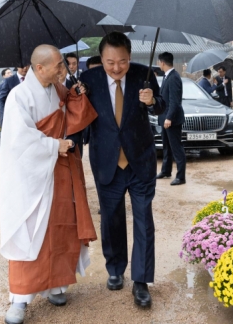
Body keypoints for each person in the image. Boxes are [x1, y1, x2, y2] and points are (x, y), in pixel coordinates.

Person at [0, 45, 98, 324]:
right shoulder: (19, 96)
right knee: (31, 232)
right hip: (32, 177)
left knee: (62, 226)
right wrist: (55, 144)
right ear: (39, 68)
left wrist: (77, 96)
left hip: (60, 170)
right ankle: (20, 299)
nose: (63, 69)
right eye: (58, 65)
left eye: (63, 65)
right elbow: (22, 140)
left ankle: (56, 286)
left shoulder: (57, 89)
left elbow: (70, 115)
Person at [80, 32, 165, 309]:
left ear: (130, 57)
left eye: (123, 62)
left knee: (143, 221)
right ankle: (115, 268)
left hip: (140, 160)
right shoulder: (88, 80)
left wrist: (152, 100)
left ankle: (140, 281)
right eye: (110, 63)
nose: (116, 68)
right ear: (102, 59)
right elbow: (78, 116)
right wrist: (77, 98)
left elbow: (163, 106)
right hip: (106, 163)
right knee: (112, 220)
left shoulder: (144, 74)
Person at [155, 52, 186, 185]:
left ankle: (181, 176)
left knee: (176, 148)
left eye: (158, 62)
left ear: (162, 62)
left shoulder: (174, 77)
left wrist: (169, 118)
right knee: (166, 146)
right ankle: (166, 170)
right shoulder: (167, 76)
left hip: (171, 120)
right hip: (165, 118)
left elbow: (175, 102)